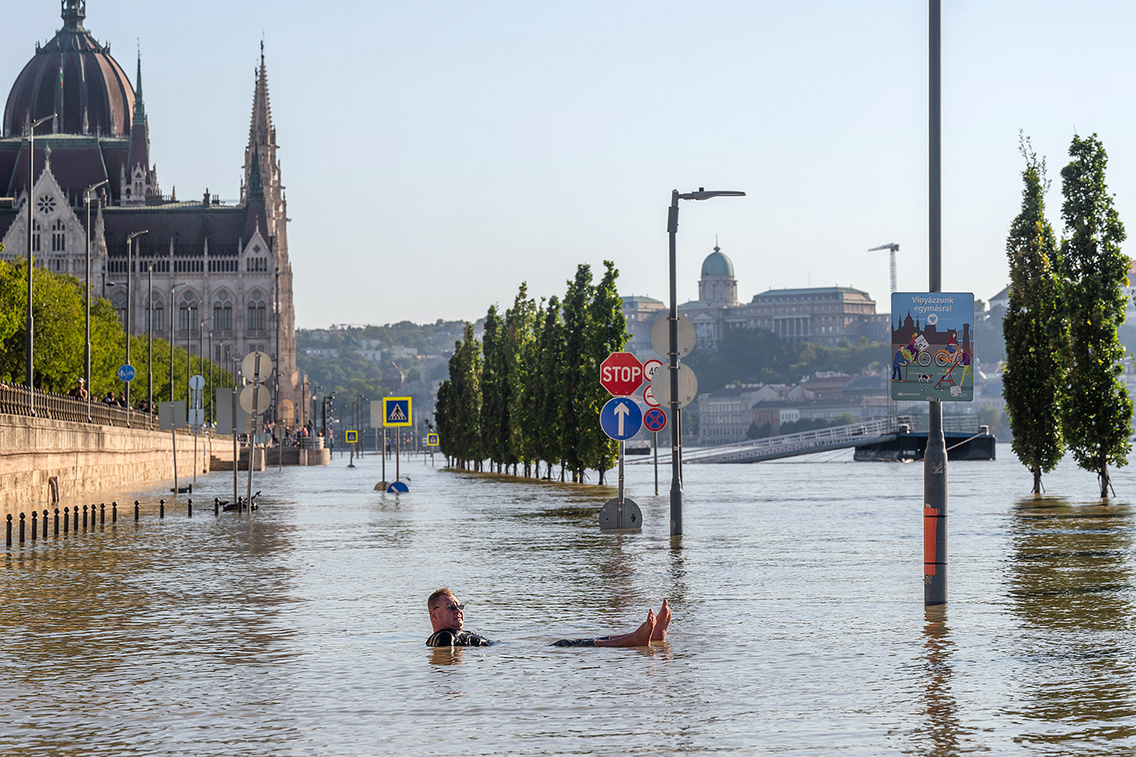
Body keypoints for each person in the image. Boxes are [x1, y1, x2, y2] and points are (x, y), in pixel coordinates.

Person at [425, 588, 671, 648]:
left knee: (569, 642)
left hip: (504, 647)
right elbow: (448, 664)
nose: (458, 611)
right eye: (451, 608)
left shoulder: (451, 635)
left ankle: (646, 636)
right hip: (511, 652)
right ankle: (636, 639)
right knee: (565, 645)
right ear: (434, 615)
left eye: (460, 606)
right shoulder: (442, 638)